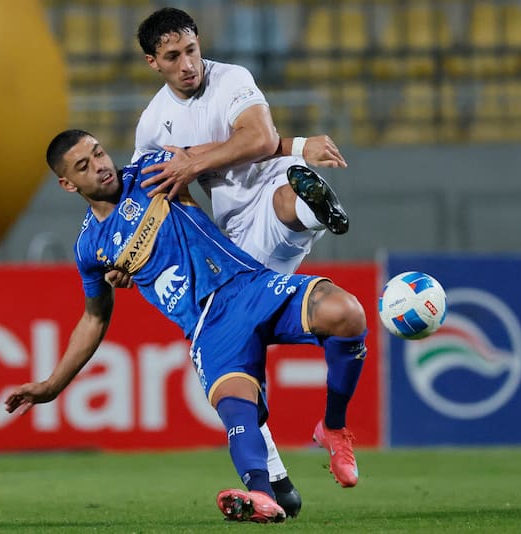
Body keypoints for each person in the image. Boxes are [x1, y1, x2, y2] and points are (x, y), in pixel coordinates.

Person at [5, 130, 368, 523]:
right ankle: (262, 499)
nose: (100, 166)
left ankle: (333, 428)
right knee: (238, 411)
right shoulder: (89, 247)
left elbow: (243, 146)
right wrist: (51, 386)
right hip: (208, 330)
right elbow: (94, 317)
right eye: (84, 166)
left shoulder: (152, 169)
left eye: (98, 153)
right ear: (67, 183)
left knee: (347, 312)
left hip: (248, 285)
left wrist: (297, 147)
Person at [126, 7, 352, 513]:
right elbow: (147, 196)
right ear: (152, 62)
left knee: (287, 203)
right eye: (172, 57)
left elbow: (255, 139)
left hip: (272, 188)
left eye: (191, 49)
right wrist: (129, 256)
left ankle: (314, 211)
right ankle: (275, 480)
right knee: (239, 354)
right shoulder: (152, 124)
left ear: (198, 42)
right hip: (232, 240)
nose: (187, 64)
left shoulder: (233, 79)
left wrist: (190, 159)